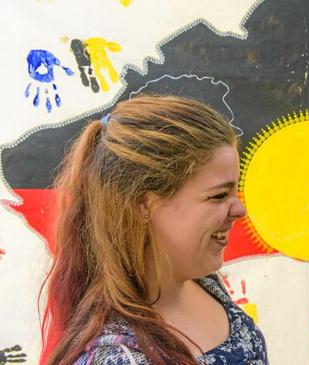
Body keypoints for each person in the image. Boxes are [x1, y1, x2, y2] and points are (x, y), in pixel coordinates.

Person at [41, 95, 268, 365]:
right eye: (219, 196)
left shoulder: (203, 284)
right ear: (143, 205)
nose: (239, 210)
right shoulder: (117, 358)